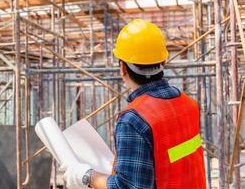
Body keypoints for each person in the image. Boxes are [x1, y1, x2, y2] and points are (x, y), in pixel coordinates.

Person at [61, 19, 206, 189]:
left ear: (122, 68)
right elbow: (169, 161)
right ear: (163, 62)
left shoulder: (134, 119)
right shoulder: (189, 104)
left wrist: (86, 176)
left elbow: (128, 187)